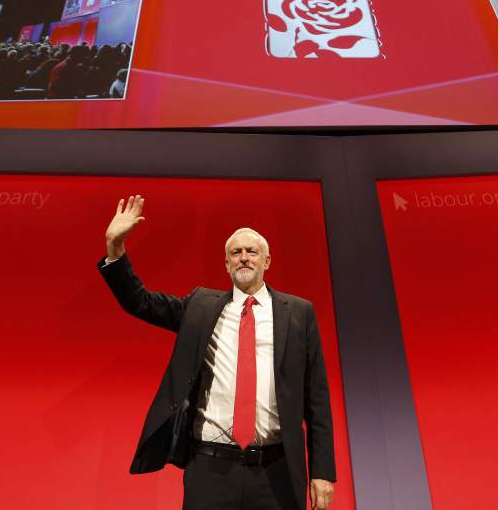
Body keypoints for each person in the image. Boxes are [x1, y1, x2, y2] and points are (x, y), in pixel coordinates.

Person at [97, 196, 336, 510]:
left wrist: (322, 472)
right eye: (235, 253)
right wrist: (115, 248)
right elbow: (140, 302)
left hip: (276, 471)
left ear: (267, 261)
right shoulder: (200, 306)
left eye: (252, 251)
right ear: (226, 265)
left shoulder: (299, 313)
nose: (244, 258)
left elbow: (316, 396)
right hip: (210, 468)